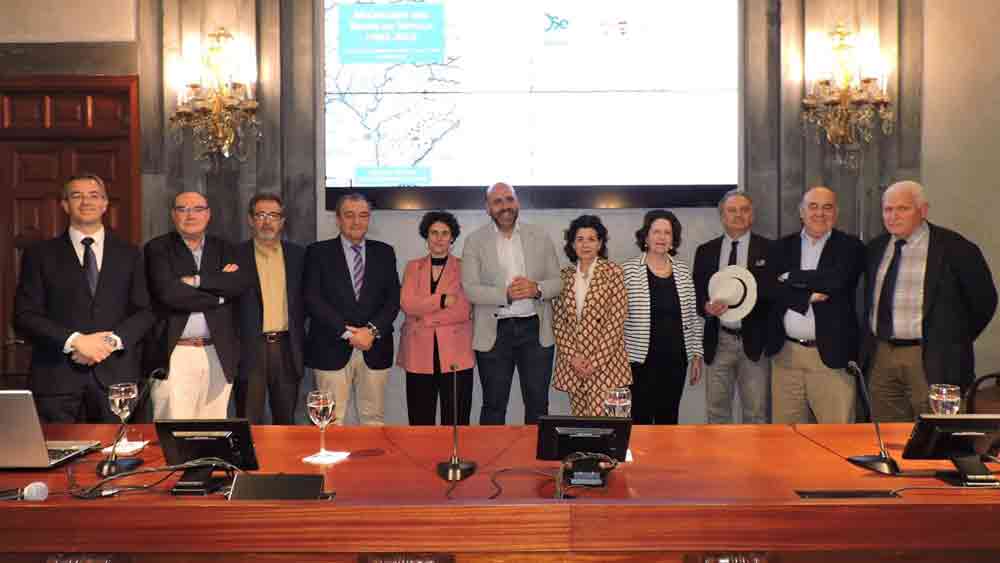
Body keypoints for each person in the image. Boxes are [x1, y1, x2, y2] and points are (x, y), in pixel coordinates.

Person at [13, 174, 154, 423]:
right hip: (57, 380)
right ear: (65, 205)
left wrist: (107, 343)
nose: (86, 201)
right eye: (76, 195)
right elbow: (25, 316)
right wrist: (75, 341)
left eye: (94, 195)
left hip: (116, 381)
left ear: (105, 204)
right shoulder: (39, 255)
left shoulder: (131, 254)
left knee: (119, 458)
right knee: (57, 458)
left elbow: (145, 312)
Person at [865, 180, 997, 421]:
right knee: (885, 436)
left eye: (902, 209)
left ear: (923, 210)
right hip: (882, 357)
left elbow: (984, 301)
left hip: (932, 357)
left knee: (938, 438)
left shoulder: (956, 248)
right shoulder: (875, 248)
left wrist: (952, 338)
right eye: (888, 209)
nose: (893, 216)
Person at [461, 182, 561, 425]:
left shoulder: (540, 236)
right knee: (494, 405)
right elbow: (470, 289)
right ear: (488, 208)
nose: (505, 206)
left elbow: (558, 282)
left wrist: (536, 289)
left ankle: (537, 462)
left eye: (509, 199)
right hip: (495, 333)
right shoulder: (475, 241)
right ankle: (493, 463)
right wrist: (506, 294)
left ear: (517, 203)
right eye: (498, 201)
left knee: (538, 404)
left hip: (535, 331)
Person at [144, 191, 251, 419]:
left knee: (212, 431)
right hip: (175, 353)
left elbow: (238, 284)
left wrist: (196, 281)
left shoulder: (226, 248)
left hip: (218, 351)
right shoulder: (158, 248)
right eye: (183, 209)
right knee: (173, 428)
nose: (190, 215)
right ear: (173, 215)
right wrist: (219, 296)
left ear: (208, 214)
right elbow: (169, 294)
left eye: (198, 209)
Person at [766, 187, 865, 424]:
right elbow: (769, 288)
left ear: (836, 212)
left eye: (827, 207)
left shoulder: (851, 247)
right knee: (786, 439)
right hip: (786, 357)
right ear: (801, 212)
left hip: (831, 358)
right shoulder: (781, 247)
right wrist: (805, 298)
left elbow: (836, 281)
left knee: (838, 438)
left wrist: (790, 277)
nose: (820, 213)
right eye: (813, 206)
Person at [305, 193, 400, 426]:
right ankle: (330, 464)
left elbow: (393, 300)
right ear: (338, 219)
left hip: (375, 347)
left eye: (363, 215)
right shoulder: (318, 252)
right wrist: (348, 333)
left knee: (373, 419)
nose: (356, 222)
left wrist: (371, 331)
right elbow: (312, 299)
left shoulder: (385, 252)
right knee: (330, 421)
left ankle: (370, 465)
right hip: (330, 347)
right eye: (349, 215)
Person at [693, 189, 772, 424]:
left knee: (756, 413)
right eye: (732, 210)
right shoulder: (705, 251)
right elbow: (697, 294)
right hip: (719, 340)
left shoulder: (770, 249)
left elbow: (774, 296)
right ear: (722, 216)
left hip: (755, 343)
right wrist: (706, 307)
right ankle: (720, 461)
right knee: (716, 413)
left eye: (744, 210)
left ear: (752, 215)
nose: (738, 215)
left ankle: (754, 461)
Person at [622, 210, 703, 424]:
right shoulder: (628, 270)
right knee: (639, 421)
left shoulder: (683, 271)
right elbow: (617, 320)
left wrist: (696, 354)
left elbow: (692, 318)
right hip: (639, 362)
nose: (661, 237)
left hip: (675, 362)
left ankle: (665, 459)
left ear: (673, 239)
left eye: (667, 233)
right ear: (646, 237)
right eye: (656, 231)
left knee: (668, 420)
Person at [234, 193, 307, 424]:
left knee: (286, 422)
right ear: (250, 219)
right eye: (261, 215)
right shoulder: (234, 254)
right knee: (248, 420)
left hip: (287, 347)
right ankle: (250, 462)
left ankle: (283, 462)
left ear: (282, 221)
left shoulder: (299, 255)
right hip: (249, 349)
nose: (267, 221)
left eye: (274, 215)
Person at [398, 211, 474, 425]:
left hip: (455, 354)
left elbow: (462, 310)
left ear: (452, 237)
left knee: (457, 421)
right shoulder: (412, 267)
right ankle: (422, 460)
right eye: (434, 233)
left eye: (445, 233)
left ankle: (454, 459)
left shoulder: (465, 267)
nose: (439, 238)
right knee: (420, 421)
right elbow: (407, 304)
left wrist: (423, 318)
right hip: (418, 354)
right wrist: (441, 300)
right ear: (426, 236)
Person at [551, 215, 630, 416]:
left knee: (614, 433)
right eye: (580, 239)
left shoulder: (614, 272)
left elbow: (616, 320)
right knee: (583, 432)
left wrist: (594, 362)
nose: (585, 244)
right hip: (575, 367)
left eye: (592, 239)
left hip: (610, 368)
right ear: (572, 243)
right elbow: (559, 322)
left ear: (600, 243)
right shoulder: (563, 276)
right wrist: (574, 358)